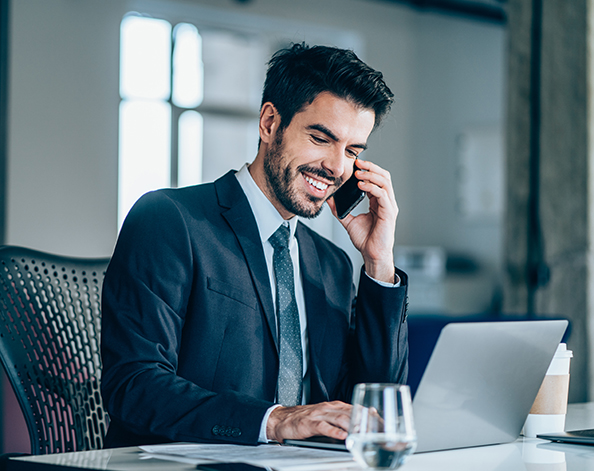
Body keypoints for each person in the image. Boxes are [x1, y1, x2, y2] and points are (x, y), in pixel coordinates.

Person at [100, 43, 408, 448]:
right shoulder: (169, 219)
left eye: (352, 151)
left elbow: (374, 408)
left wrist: (378, 264)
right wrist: (275, 421)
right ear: (269, 123)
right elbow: (134, 385)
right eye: (321, 138)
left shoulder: (330, 264)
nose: (336, 167)